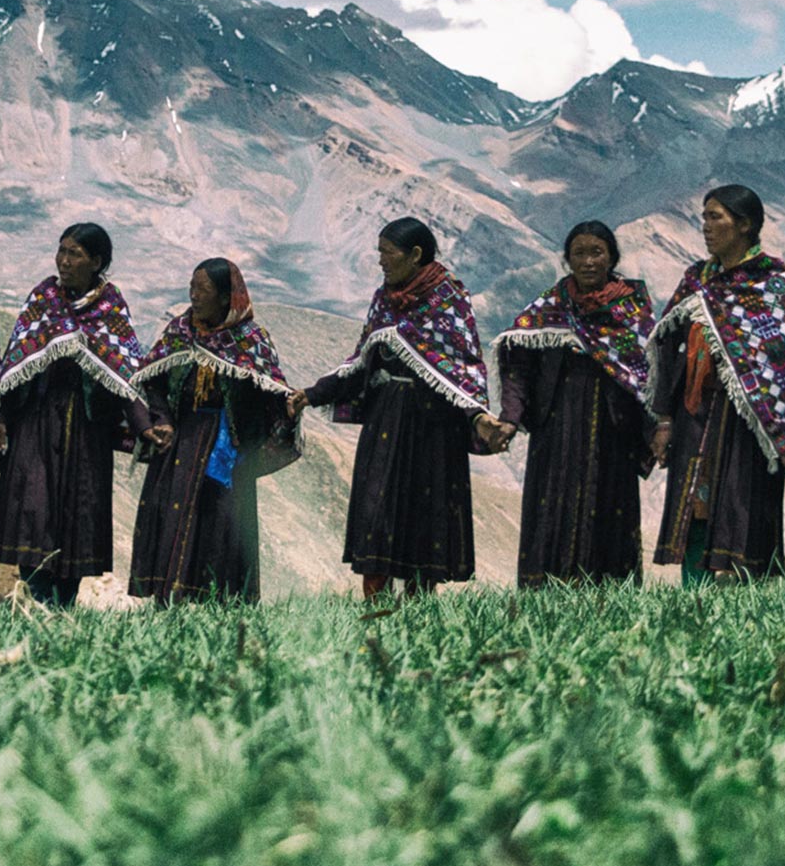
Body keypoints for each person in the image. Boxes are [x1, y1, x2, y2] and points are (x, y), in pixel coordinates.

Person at [288, 217, 501, 598]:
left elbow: (462, 371)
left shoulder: (449, 300)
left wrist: (479, 417)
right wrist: (313, 394)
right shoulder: (385, 299)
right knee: (377, 510)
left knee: (425, 513)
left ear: (415, 255)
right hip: (385, 422)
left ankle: (420, 605)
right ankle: (375, 606)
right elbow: (360, 363)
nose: (382, 262)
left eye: (388, 253)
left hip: (433, 427)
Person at [0, 223, 151, 607]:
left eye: (74, 254)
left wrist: (145, 426)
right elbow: (16, 362)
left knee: (78, 513)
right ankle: (37, 598)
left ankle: (64, 603)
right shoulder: (44, 297)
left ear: (96, 262)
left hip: (86, 427)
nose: (63, 260)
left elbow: (126, 372)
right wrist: (0, 417)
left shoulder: (111, 308)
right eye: (61, 250)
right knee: (34, 509)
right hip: (36, 421)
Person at [650, 184, 785, 583]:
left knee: (744, 504)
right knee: (695, 505)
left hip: (747, 419)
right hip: (694, 415)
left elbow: (784, 356)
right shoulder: (695, 279)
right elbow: (669, 346)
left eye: (715, 217)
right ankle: (695, 593)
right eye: (704, 217)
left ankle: (751, 592)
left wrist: (781, 424)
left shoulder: (771, 281)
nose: (705, 226)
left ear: (745, 225)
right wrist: (665, 417)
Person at [492, 221, 654, 587]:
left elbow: (649, 372)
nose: (588, 261)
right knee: (553, 501)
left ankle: (611, 587)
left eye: (597, 252)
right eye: (579, 253)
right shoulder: (550, 308)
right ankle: (545, 584)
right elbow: (517, 360)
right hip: (557, 428)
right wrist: (511, 418)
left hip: (614, 429)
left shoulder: (631, 308)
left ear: (612, 257)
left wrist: (655, 426)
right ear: (567, 259)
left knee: (609, 502)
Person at [129, 258, 300, 603]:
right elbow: (152, 382)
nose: (193, 296)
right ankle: (167, 599)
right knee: (172, 518)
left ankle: (218, 602)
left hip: (227, 450)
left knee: (219, 524)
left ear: (227, 298)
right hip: (180, 443)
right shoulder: (180, 332)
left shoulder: (251, 341)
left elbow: (274, 396)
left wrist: (280, 417)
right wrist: (161, 419)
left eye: (203, 290)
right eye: (191, 288)